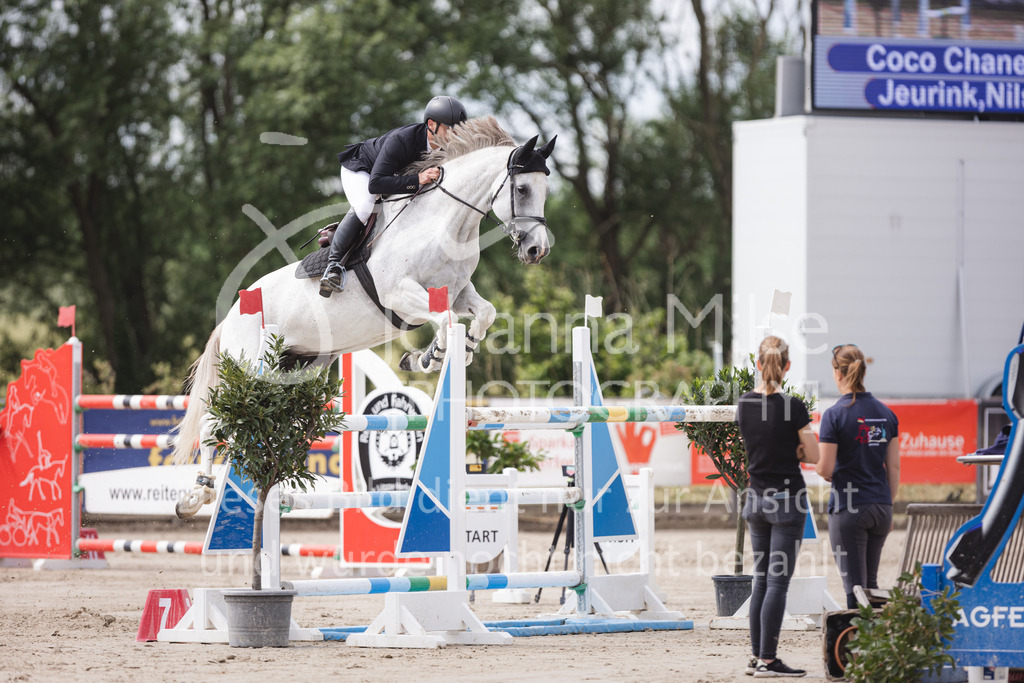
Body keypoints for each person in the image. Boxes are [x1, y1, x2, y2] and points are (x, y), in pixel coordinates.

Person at [319, 95, 469, 297]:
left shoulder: (446, 149)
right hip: (362, 170)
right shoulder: (402, 140)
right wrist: (418, 179)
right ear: (431, 124)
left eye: (457, 130)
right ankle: (333, 267)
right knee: (365, 205)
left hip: (391, 177)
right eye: (449, 129)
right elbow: (375, 184)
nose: (454, 135)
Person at [737, 335, 820, 678]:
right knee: (777, 584)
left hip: (755, 500)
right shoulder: (794, 407)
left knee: (760, 580)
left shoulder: (743, 403)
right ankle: (769, 660)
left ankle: (758, 657)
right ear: (787, 367)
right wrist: (796, 451)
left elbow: (758, 446)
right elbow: (813, 455)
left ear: (757, 364)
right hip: (787, 502)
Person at [815, 344, 900, 609]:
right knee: (871, 588)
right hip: (881, 507)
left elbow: (826, 469)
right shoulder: (887, 414)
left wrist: (815, 464)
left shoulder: (834, 415)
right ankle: (874, 645)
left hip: (850, 507)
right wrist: (887, 502)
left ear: (837, 373)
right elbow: (894, 467)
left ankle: (857, 648)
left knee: (855, 590)